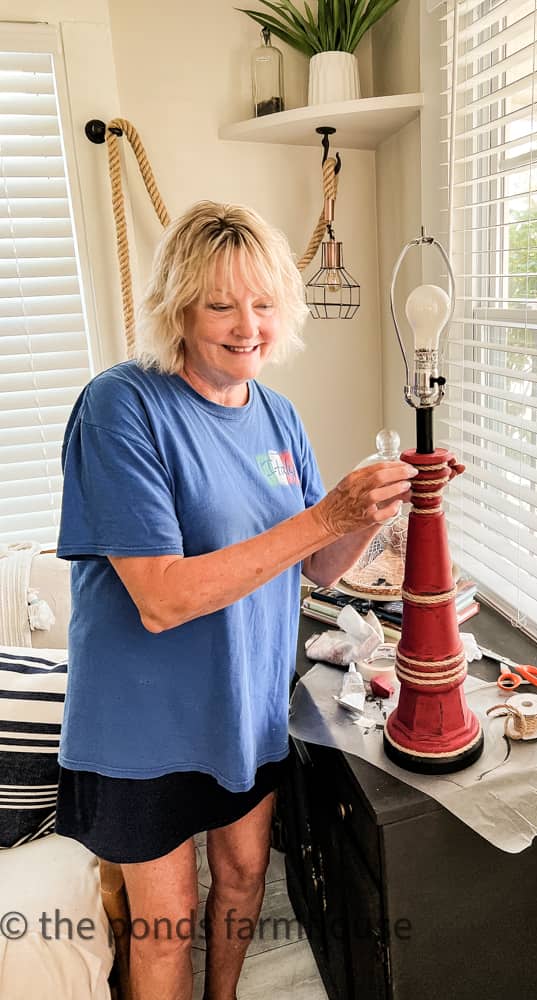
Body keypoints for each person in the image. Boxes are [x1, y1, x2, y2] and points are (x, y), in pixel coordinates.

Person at [54, 200, 415, 1000]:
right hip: (144, 722)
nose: (247, 324)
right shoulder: (123, 405)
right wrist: (328, 514)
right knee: (165, 926)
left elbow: (319, 565)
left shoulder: (277, 416)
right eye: (220, 302)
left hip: (243, 706)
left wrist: (369, 516)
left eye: (262, 302)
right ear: (178, 307)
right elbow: (160, 598)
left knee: (247, 877)